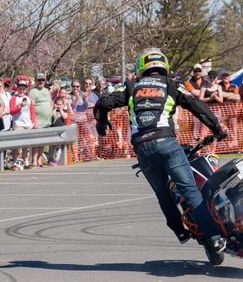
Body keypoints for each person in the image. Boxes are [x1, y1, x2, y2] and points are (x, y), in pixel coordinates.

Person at [94, 48, 227, 252]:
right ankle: (215, 237)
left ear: (141, 67)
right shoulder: (171, 84)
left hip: (143, 149)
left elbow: (103, 101)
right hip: (167, 143)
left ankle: (180, 231)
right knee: (189, 190)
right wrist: (217, 129)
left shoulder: (131, 85)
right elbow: (198, 106)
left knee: (163, 194)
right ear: (163, 66)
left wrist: (101, 123)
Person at [9, 80, 37, 170]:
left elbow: (32, 111)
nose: (21, 90)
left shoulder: (28, 99)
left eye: (23, 89)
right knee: (17, 145)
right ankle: (15, 163)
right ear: (17, 89)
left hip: (27, 124)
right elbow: (12, 111)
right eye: (20, 89)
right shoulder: (14, 98)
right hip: (18, 124)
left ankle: (26, 162)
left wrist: (33, 122)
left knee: (26, 145)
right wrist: (20, 106)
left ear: (25, 89)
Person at [29, 73, 53, 167]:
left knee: (42, 142)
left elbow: (50, 102)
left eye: (43, 80)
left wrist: (51, 112)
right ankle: (34, 161)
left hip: (47, 121)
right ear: (36, 80)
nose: (41, 82)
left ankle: (39, 160)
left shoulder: (46, 90)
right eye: (39, 80)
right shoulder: (33, 91)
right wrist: (34, 121)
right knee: (36, 142)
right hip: (38, 121)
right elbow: (31, 107)